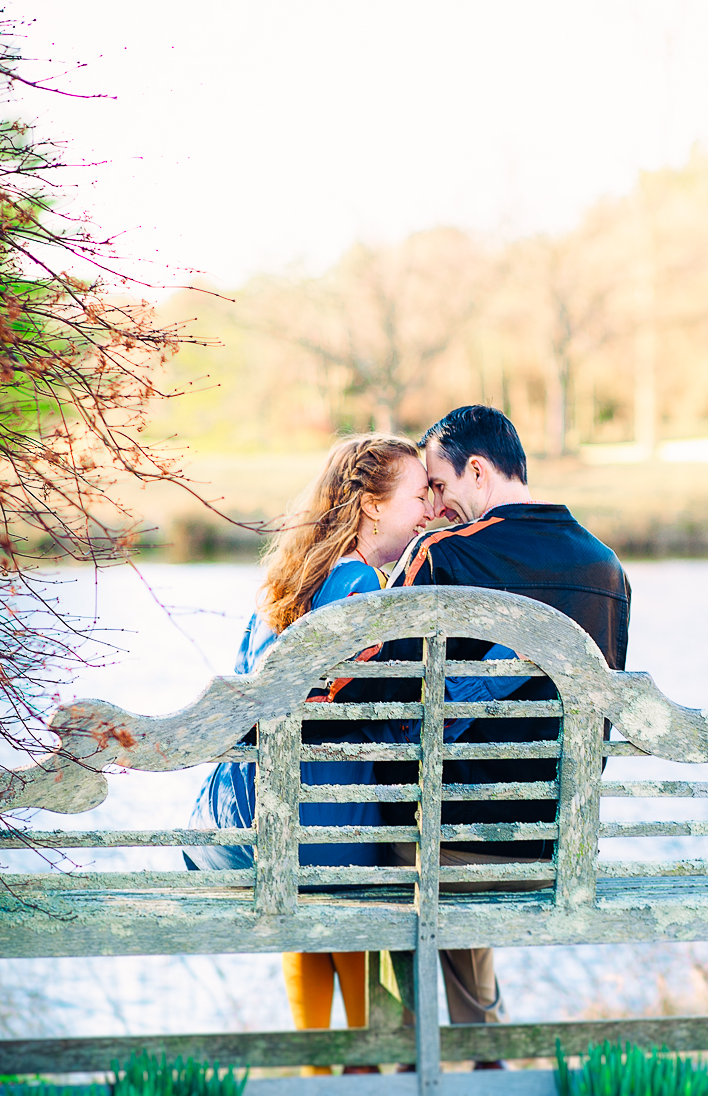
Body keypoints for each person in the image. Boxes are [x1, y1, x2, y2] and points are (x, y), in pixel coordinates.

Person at [187, 431, 525, 1062]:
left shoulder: (290, 581)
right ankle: (375, 1064)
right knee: (394, 854)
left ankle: (326, 1067)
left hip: (250, 825)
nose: (431, 509)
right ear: (371, 505)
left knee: (350, 844)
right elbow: (404, 720)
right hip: (320, 836)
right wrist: (502, 667)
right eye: (419, 494)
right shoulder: (365, 597)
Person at [384, 404, 631, 1028]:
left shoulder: (443, 555)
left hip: (451, 847)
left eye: (437, 486)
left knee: (382, 831)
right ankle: (480, 1039)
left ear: (476, 471)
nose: (435, 505)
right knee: (438, 821)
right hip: (559, 844)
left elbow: (381, 704)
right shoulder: (607, 570)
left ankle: (400, 1049)